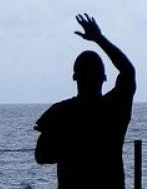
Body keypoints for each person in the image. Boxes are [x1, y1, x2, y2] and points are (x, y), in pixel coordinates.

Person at [34, 14, 136, 189]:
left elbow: (42, 156)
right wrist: (99, 38)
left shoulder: (61, 111)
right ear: (104, 77)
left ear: (75, 77)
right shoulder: (115, 107)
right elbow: (127, 70)